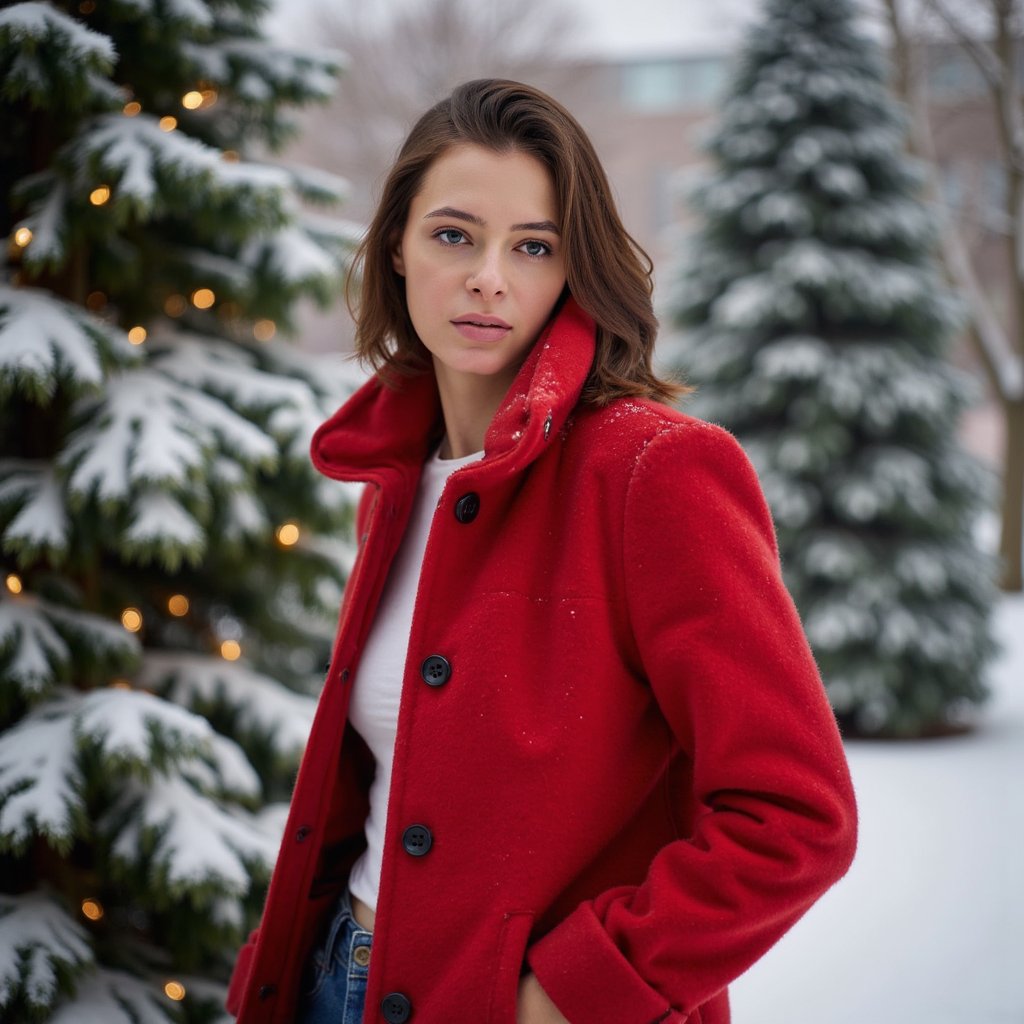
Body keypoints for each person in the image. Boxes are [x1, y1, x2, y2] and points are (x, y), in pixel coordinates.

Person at [226, 79, 857, 1024]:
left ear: (572, 270)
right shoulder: (395, 483)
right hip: (337, 978)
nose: (490, 276)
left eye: (533, 246)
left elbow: (796, 818)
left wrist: (569, 995)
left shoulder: (654, 471)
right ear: (396, 246)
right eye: (453, 235)